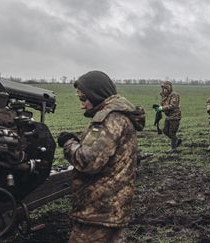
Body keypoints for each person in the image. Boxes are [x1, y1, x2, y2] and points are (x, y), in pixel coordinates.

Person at [57, 71, 145, 243]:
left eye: (84, 99)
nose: (82, 105)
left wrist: (68, 143)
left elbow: (88, 161)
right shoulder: (121, 116)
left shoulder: (109, 119)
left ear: (96, 95)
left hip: (98, 211)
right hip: (113, 207)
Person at [155, 80, 182, 153]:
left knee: (172, 133)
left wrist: (162, 108)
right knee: (165, 131)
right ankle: (176, 140)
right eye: (163, 88)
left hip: (175, 116)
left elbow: (173, 106)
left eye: (166, 88)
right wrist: (159, 108)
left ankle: (173, 149)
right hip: (168, 116)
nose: (164, 90)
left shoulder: (174, 95)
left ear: (169, 88)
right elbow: (163, 106)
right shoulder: (164, 96)